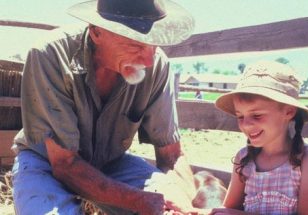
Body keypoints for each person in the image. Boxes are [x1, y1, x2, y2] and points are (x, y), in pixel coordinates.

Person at [11, 0, 197, 214]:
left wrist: (181, 202)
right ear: (96, 32)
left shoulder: (158, 66)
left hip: (112, 163)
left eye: (154, 45)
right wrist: (140, 201)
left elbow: (172, 156)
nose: (148, 61)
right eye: (136, 44)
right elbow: (65, 163)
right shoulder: (50, 55)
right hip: (47, 163)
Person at [212, 61, 308, 214]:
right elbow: (229, 209)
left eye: (257, 115)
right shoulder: (244, 159)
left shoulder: (307, 161)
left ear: (288, 112)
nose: (246, 125)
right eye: (240, 116)